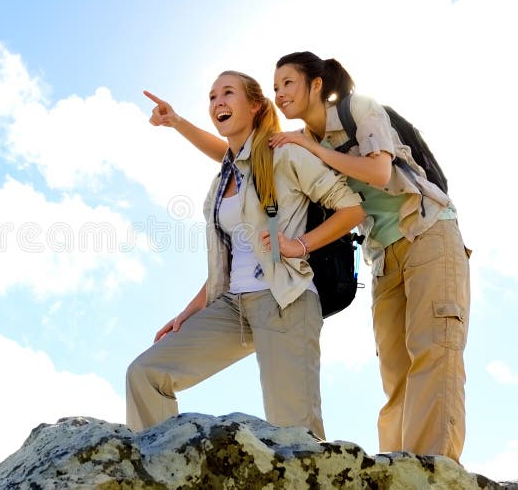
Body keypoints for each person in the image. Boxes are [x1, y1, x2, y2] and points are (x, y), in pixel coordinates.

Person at [149, 53, 470, 462]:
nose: (280, 93)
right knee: (395, 370)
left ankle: (434, 470)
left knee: (432, 349)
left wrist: (304, 146)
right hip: (382, 251)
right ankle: (398, 469)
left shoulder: (358, 109)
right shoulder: (303, 142)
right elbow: (231, 153)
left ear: (315, 85)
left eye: (288, 83)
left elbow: (378, 174)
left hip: (427, 231)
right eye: (276, 86)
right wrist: (177, 122)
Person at [126, 71, 364, 440]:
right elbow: (229, 259)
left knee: (295, 436)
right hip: (232, 306)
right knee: (146, 373)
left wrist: (297, 246)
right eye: (211, 96)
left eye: (227, 93)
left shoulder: (284, 154)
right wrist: (190, 310)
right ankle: (158, 471)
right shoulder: (224, 176)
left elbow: (352, 209)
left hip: (284, 301)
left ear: (254, 105)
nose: (217, 101)